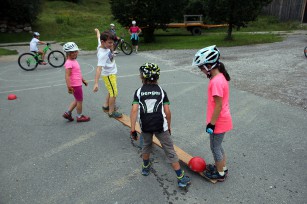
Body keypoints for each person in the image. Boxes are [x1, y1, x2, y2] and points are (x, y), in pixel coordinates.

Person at [130, 62, 191, 188]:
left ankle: (145, 167)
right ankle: (180, 177)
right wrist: (168, 126)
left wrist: (132, 129)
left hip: (145, 125)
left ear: (142, 77)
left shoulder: (139, 92)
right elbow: (167, 111)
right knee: (169, 149)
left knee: (146, 145)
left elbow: (134, 110)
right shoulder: (162, 92)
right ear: (157, 77)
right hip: (160, 125)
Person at [192, 45, 233, 182]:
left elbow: (218, 105)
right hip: (223, 119)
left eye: (202, 67)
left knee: (214, 147)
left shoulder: (216, 82)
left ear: (209, 65)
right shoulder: (220, 76)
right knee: (218, 146)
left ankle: (220, 173)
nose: (201, 70)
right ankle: (222, 167)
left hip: (219, 121)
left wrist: (211, 124)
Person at [93, 28, 122, 118]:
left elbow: (98, 37)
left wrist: (97, 31)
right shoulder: (102, 54)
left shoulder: (102, 44)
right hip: (109, 75)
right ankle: (111, 112)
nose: (111, 44)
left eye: (112, 42)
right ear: (103, 42)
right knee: (114, 93)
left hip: (112, 73)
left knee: (111, 90)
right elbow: (98, 69)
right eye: (110, 42)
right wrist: (96, 83)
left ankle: (106, 106)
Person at [62, 42, 90, 122]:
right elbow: (67, 75)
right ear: (68, 53)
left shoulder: (74, 60)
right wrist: (69, 86)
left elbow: (77, 73)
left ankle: (68, 113)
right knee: (79, 101)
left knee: (77, 99)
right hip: (75, 85)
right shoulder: (69, 63)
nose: (74, 53)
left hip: (77, 83)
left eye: (75, 51)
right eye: (72, 52)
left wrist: (83, 80)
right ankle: (79, 116)